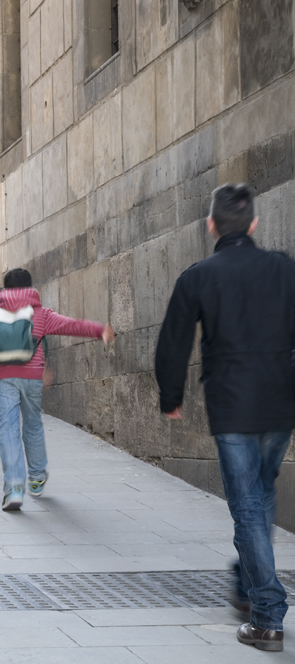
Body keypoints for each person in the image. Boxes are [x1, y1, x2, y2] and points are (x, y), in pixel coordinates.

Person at [155, 184, 294, 652]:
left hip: (232, 405)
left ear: (211, 225)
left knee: (248, 505)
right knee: (261, 494)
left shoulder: (199, 276)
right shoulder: (283, 269)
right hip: (279, 404)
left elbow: (173, 341)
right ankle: (247, 581)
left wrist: (170, 395)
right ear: (254, 224)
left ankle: (268, 614)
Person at [0, 267, 114, 511]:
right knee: (33, 423)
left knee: (8, 427)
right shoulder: (40, 314)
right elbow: (71, 325)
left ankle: (13, 487)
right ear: (30, 287)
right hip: (32, 376)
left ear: (5, 289)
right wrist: (100, 330)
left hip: (2, 377)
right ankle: (36, 478)